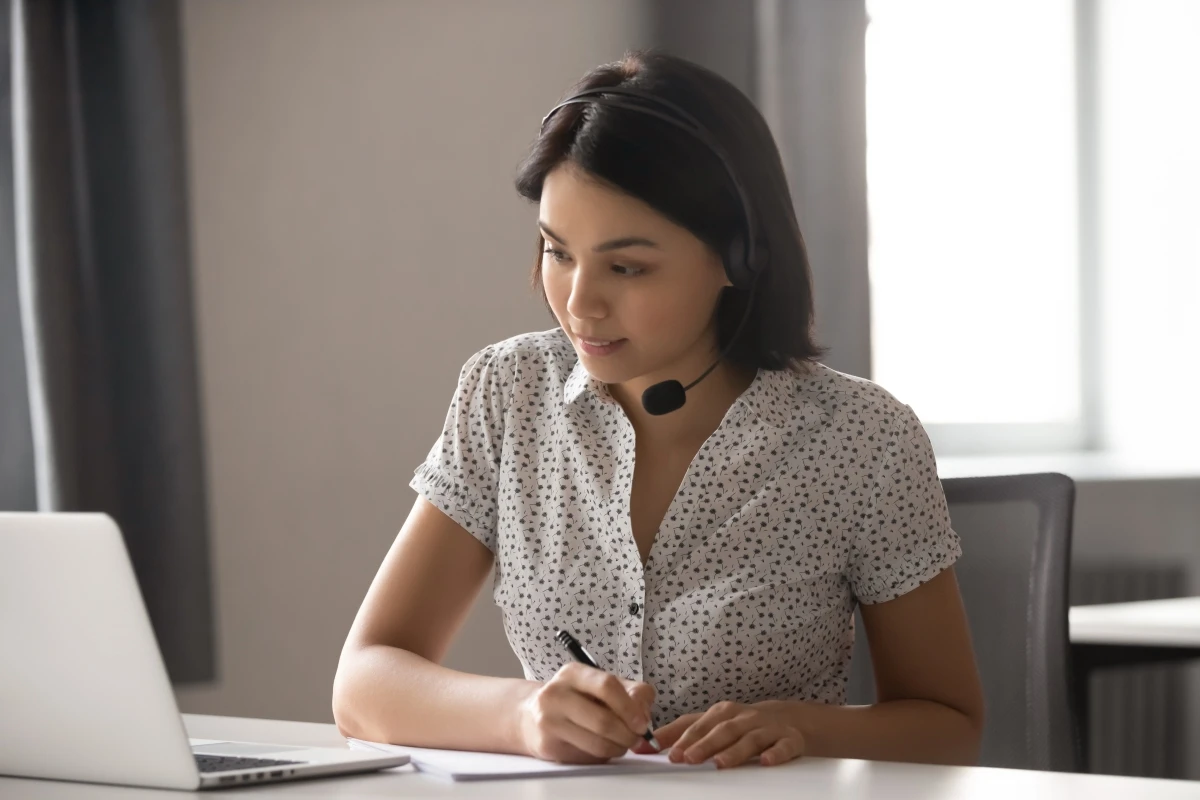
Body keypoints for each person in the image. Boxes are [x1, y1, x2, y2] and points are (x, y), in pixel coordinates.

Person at [332, 50, 984, 770]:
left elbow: (949, 724)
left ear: (739, 257)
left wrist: (801, 729)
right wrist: (521, 715)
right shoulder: (507, 391)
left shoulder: (864, 438)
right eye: (558, 252)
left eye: (627, 267)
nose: (579, 303)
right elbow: (365, 682)